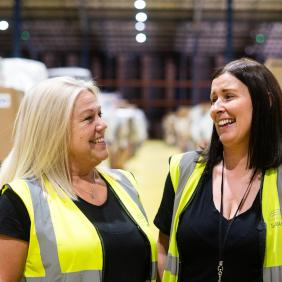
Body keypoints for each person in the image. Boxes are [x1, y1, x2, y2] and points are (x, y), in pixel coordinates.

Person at [0, 76, 157, 282]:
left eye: (99, 114)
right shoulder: (20, 200)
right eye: (88, 118)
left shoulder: (124, 184)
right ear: (54, 131)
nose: (103, 125)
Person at [154, 58, 282, 282]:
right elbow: (163, 246)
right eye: (214, 99)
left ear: (265, 101)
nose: (216, 108)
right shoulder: (183, 169)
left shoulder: (278, 179)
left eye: (228, 96)